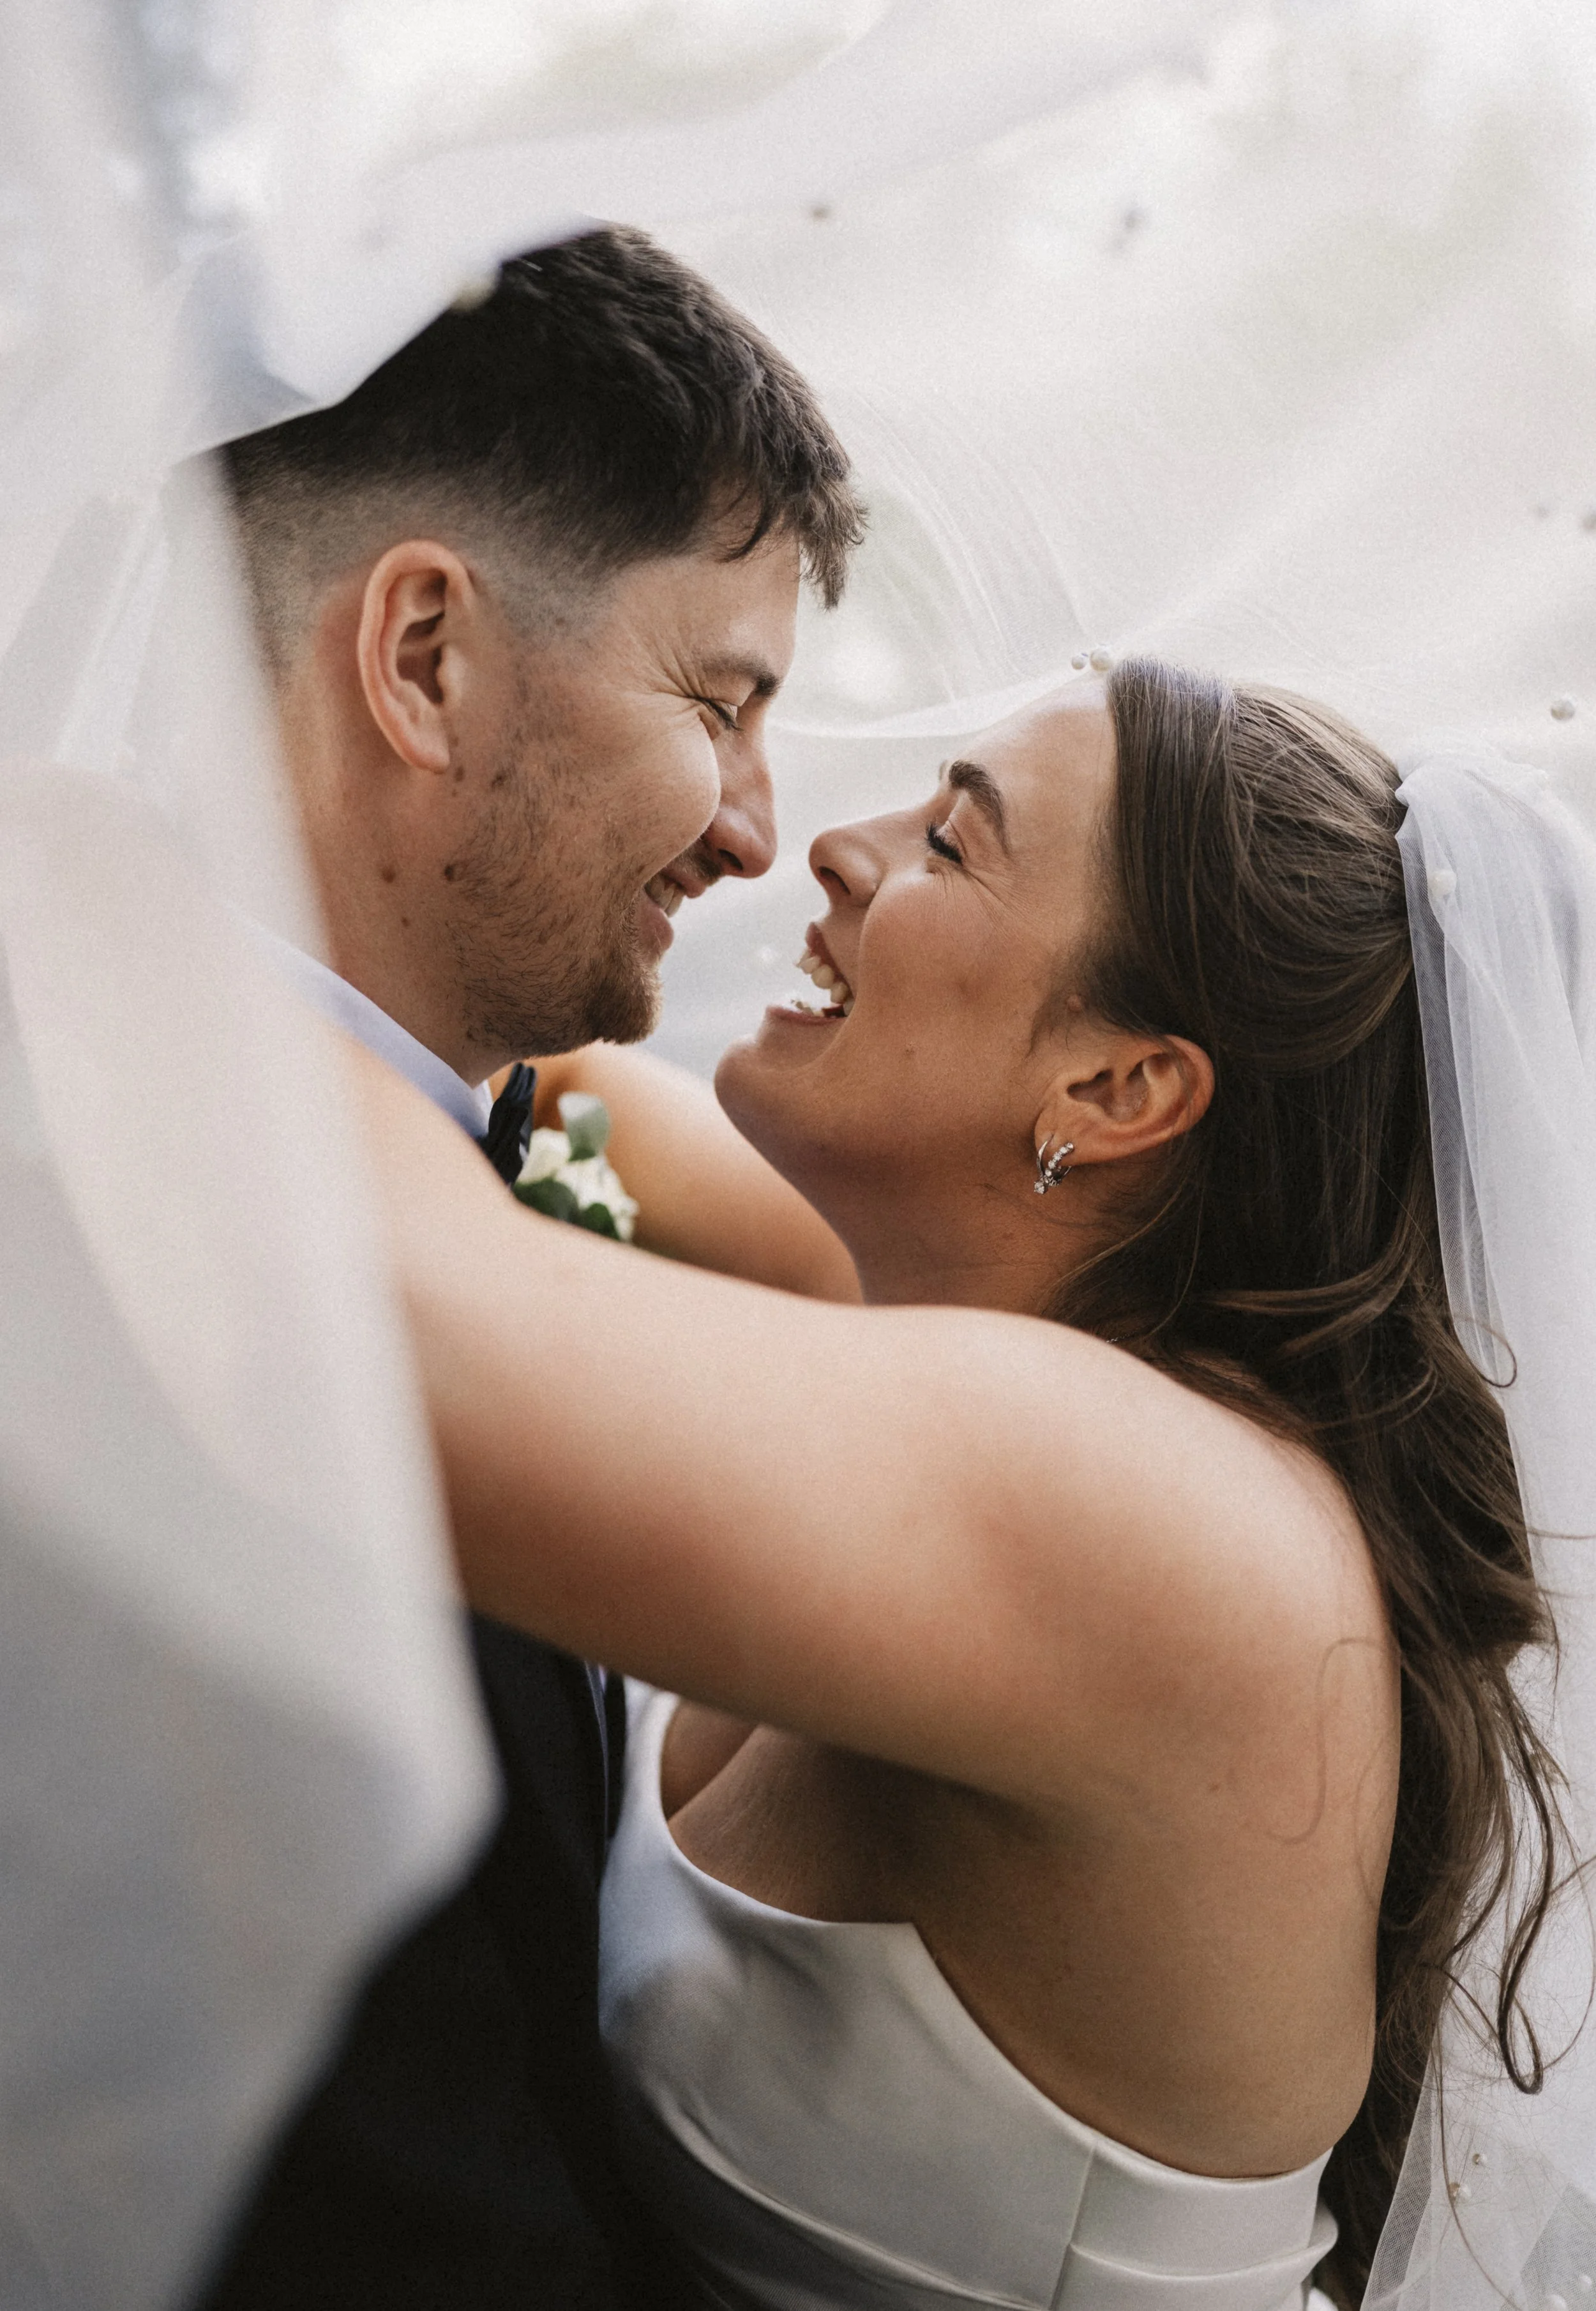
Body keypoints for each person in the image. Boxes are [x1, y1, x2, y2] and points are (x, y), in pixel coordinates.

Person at [355, 662, 1566, 2311]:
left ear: (1115, 1089)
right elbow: (539, 1121)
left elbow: (418, 1330)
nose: (832, 849)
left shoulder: (1167, 1528)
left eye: (948, 840)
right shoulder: (930, 1315)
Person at [198, 227, 864, 2311]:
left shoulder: (505, 1154)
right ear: (424, 657)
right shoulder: (170, 1268)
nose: (761, 834)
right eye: (719, 701)